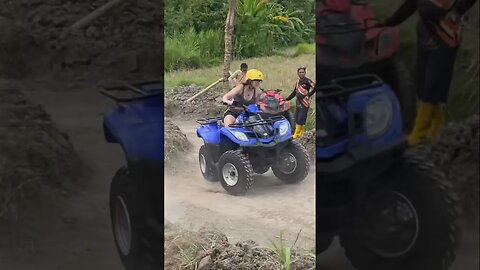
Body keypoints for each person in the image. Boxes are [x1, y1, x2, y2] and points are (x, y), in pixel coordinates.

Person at [382, 0, 477, 146]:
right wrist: (390, 22)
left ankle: (419, 132)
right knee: (421, 81)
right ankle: (435, 128)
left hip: (446, 38)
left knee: (433, 85)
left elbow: (435, 10)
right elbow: (410, 5)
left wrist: (458, 9)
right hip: (426, 36)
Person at [285, 67, 316, 139]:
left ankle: (297, 134)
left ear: (305, 73)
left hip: (305, 102)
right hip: (298, 102)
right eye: (300, 72)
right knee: (297, 117)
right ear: (297, 73)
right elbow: (294, 92)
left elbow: (315, 87)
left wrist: (309, 95)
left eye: (303, 72)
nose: (301, 73)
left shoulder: (307, 81)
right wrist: (287, 99)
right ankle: (300, 133)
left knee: (301, 118)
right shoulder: (297, 82)